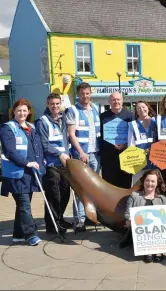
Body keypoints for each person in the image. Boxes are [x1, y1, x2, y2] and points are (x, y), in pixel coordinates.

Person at [0, 98, 45, 246]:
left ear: (29, 112)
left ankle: (18, 234)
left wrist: (40, 160)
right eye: (19, 110)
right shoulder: (7, 128)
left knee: (23, 205)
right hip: (16, 174)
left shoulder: (32, 127)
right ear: (13, 112)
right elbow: (10, 152)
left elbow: (37, 148)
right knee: (24, 205)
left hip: (29, 174)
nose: (22, 113)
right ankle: (31, 234)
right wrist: (26, 162)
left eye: (25, 110)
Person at [65, 82, 101, 231]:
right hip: (82, 155)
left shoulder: (96, 109)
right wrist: (80, 152)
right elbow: (71, 134)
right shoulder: (73, 110)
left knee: (93, 188)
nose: (85, 96)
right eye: (82, 94)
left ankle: (91, 217)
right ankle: (79, 220)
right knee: (80, 189)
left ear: (90, 93)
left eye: (87, 93)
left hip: (96, 154)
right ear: (78, 94)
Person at [35, 93, 72, 235]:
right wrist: (59, 154)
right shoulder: (42, 121)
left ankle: (60, 218)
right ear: (47, 104)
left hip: (64, 163)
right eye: (52, 104)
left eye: (57, 103)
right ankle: (52, 225)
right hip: (51, 164)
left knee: (65, 193)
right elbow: (43, 144)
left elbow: (65, 141)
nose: (55, 106)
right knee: (53, 196)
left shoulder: (63, 119)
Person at [123, 169, 166, 263]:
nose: (149, 183)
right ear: (143, 181)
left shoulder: (162, 199)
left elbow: (165, 217)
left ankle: (159, 251)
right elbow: (127, 214)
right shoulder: (134, 196)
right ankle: (147, 251)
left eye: (152, 181)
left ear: (157, 183)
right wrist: (129, 219)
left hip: (157, 233)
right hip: (140, 231)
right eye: (147, 180)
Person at [100, 92, 134, 188]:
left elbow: (134, 137)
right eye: (113, 99)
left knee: (125, 186)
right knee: (109, 187)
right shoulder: (102, 116)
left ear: (122, 100)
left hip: (126, 157)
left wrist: (126, 144)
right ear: (109, 101)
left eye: (118, 99)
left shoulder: (130, 116)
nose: (116, 102)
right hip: (108, 159)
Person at [128, 101, 157, 186]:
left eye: (143, 107)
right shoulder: (132, 125)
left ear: (148, 108)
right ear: (136, 111)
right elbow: (131, 146)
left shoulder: (155, 122)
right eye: (138, 108)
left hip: (154, 164)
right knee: (138, 188)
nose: (141, 109)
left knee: (154, 187)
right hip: (139, 164)